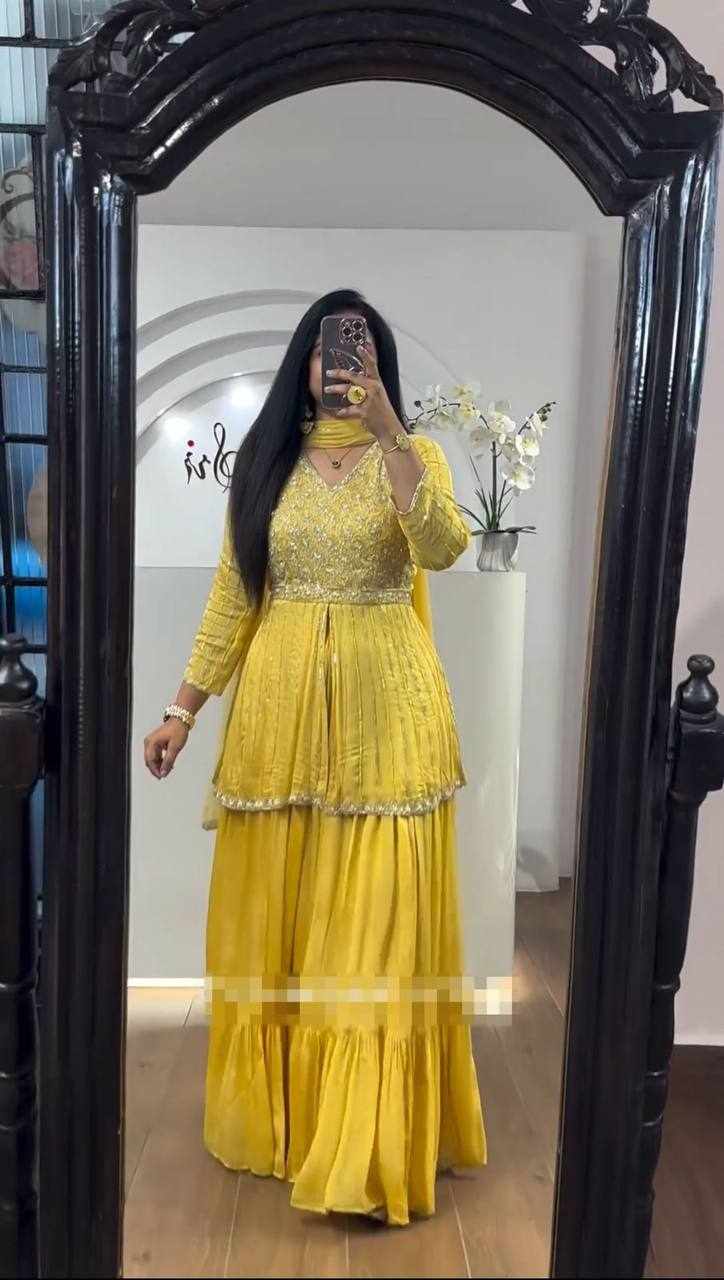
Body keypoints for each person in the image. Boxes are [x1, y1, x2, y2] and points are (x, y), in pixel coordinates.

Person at [143, 288, 486, 1226]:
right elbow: (233, 598)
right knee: (286, 927)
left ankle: (365, 1149)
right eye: (330, 352)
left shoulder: (415, 456)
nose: (341, 367)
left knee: (374, 930)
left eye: (358, 352)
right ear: (303, 362)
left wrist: (391, 433)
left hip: (389, 727)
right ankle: (294, 1127)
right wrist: (180, 711)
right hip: (278, 725)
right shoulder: (265, 464)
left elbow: (443, 548)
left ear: (376, 366)